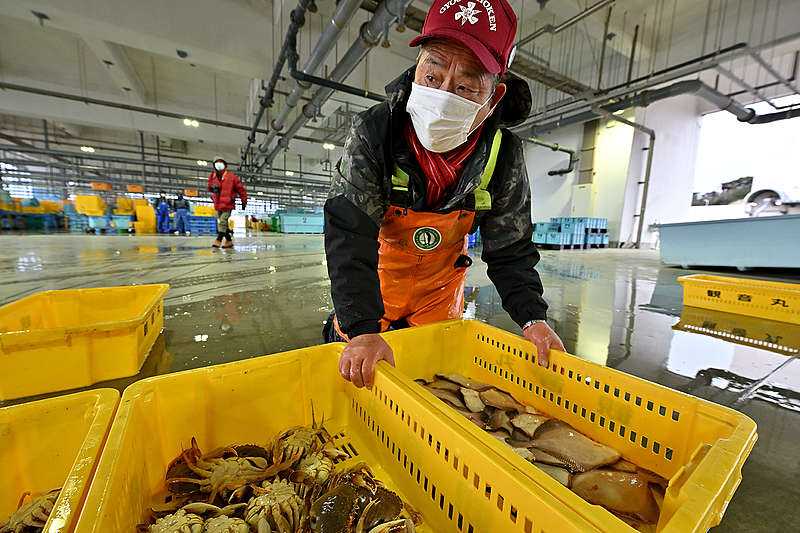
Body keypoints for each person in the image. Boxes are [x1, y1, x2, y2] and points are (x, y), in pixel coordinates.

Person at [323, 0, 565, 389]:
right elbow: (348, 233)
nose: (443, 96)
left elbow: (510, 249)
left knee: (435, 387)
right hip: (373, 290)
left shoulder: (502, 157)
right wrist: (362, 327)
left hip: (440, 297)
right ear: (417, 68)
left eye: (466, 86)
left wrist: (532, 318)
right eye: (433, 76)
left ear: (493, 99)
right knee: (354, 386)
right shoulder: (375, 132)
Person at [207, 157, 247, 248]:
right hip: (217, 203)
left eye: (221, 162)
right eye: (216, 163)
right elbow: (208, 187)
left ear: (225, 165)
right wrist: (212, 188)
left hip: (228, 204)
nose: (219, 164)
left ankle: (219, 239)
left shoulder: (232, 177)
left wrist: (244, 202)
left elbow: (241, 190)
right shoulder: (212, 176)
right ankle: (229, 241)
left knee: (223, 221)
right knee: (223, 223)